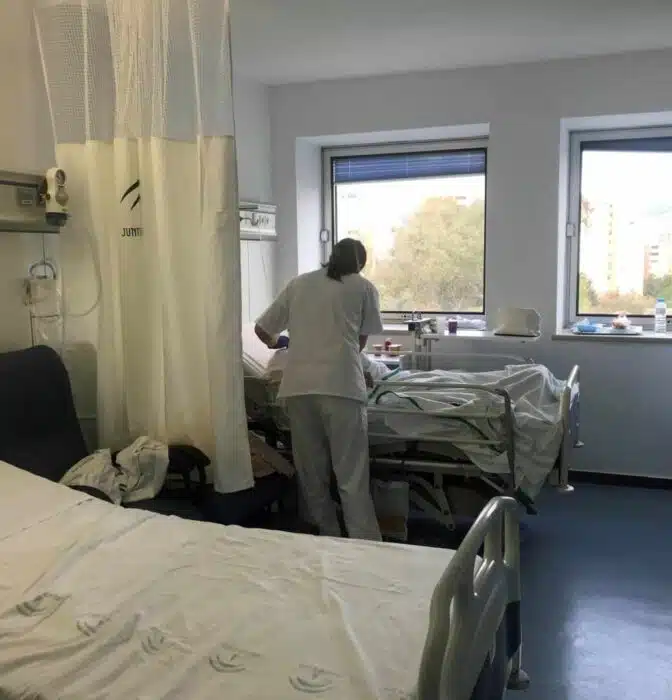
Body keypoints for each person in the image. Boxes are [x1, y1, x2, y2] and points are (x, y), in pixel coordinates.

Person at [254, 238, 383, 540]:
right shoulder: (363, 288)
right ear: (360, 263)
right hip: (341, 386)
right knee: (351, 473)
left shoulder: (299, 284)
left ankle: (327, 535)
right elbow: (359, 342)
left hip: (299, 387)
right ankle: (364, 542)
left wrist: (281, 343)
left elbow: (262, 330)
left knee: (311, 471)